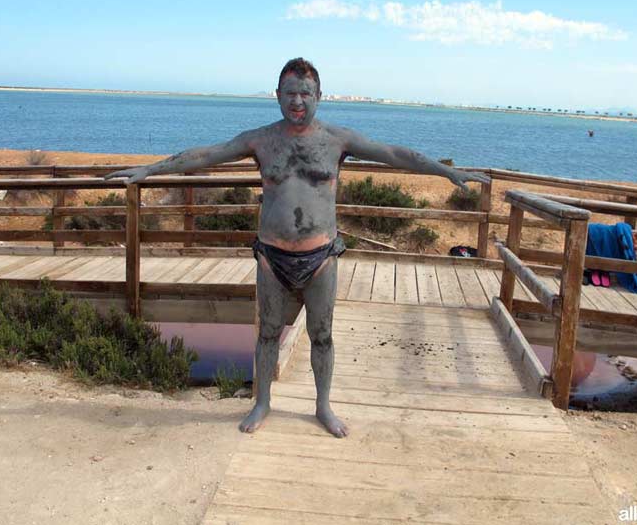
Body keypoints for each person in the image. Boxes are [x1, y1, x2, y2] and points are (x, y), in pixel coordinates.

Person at [106, 58, 489, 437]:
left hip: (321, 256)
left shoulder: (338, 140)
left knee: (323, 334)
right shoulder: (260, 140)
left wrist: (446, 171)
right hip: (273, 256)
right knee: (268, 333)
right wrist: (149, 171)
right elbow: (204, 155)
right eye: (290, 92)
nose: (298, 101)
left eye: (306, 93)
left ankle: (323, 406)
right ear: (277, 95)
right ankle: (262, 402)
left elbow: (395, 154)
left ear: (319, 96)